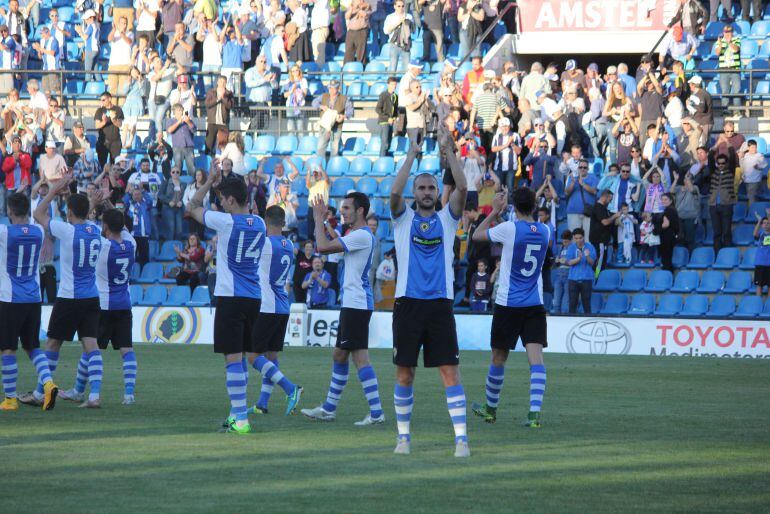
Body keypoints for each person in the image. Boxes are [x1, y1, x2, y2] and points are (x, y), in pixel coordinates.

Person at [388, 138, 470, 457]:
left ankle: (461, 440)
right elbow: (394, 194)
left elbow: (462, 189)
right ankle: (403, 438)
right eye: (421, 188)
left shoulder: (447, 219)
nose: (425, 192)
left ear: (437, 194)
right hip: (407, 304)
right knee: (404, 372)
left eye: (430, 188)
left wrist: (450, 155)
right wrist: (411, 156)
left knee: (449, 371)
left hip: (439, 305)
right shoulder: (403, 218)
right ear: (415, 193)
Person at [187, 170, 266, 435]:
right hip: (253, 297)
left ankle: (241, 419)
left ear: (231, 201)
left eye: (222, 200)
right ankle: (236, 414)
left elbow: (192, 206)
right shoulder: (261, 223)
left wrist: (208, 182)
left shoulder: (226, 222)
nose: (220, 204)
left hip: (231, 297)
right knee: (241, 356)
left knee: (232, 358)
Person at [470, 185, 550, 427]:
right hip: (534, 304)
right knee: (536, 360)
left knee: (498, 358)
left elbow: (477, 236)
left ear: (514, 206)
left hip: (508, 303)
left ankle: (490, 410)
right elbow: (523, 234)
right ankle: (534, 415)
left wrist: (495, 211)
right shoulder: (546, 230)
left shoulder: (508, 228)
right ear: (535, 206)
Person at [302, 192, 384, 426]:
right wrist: (326, 223)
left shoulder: (361, 235)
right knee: (340, 354)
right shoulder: (358, 235)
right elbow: (332, 245)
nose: (342, 211)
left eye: (347, 208)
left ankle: (376, 412)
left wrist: (318, 219)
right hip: (354, 302)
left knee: (360, 358)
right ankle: (329, 408)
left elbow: (323, 246)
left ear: (360, 211)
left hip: (357, 303)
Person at [22, 172, 103, 408]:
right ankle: (95, 395)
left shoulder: (66, 230)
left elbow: (37, 214)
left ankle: (40, 392)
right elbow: (85, 216)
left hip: (69, 296)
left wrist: (55, 190)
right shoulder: (95, 230)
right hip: (92, 296)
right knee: (91, 346)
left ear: (68, 212)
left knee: (52, 344)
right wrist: (91, 203)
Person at [60, 205, 137, 405]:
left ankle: (79, 390)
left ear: (106, 227)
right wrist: (112, 208)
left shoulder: (103, 247)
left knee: (90, 349)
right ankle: (129, 395)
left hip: (103, 304)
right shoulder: (132, 243)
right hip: (124, 304)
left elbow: (89, 233)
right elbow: (123, 229)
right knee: (127, 350)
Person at [0, 193, 58, 411]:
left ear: (10, 212)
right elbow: (39, 214)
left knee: (7, 349)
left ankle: (10, 398)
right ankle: (48, 383)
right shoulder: (38, 231)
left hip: (10, 298)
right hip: (33, 298)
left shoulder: (5, 233)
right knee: (32, 346)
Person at [245, 205, 302, 416]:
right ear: (283, 222)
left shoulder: (265, 244)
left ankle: (290, 388)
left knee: (252, 356)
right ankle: (262, 403)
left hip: (266, 306)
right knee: (271, 356)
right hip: (282, 305)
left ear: (266, 221)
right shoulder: (289, 245)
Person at [312, 80, 353, 157]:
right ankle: (320, 167)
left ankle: (333, 167)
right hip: (324, 126)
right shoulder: (324, 96)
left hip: (337, 127)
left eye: (334, 88)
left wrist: (344, 117)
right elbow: (314, 102)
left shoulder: (344, 99)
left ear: (338, 88)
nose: (332, 90)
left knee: (334, 149)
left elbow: (350, 111)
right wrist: (321, 106)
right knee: (320, 148)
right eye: (330, 88)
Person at [564, 159, 598, 239]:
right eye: (580, 167)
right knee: (573, 238)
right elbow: (567, 192)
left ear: (588, 169)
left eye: (585, 167)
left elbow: (594, 191)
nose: (582, 169)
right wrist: (572, 183)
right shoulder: (571, 177)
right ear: (578, 168)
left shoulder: (593, 177)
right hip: (573, 211)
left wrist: (582, 184)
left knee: (588, 238)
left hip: (588, 212)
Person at [589, 189, 620, 274]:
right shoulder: (598, 207)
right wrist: (615, 216)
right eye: (610, 199)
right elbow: (605, 222)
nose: (610, 201)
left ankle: (598, 278)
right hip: (599, 240)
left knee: (602, 260)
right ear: (605, 197)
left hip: (603, 240)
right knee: (600, 261)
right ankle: (596, 278)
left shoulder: (604, 208)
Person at [566, 228, 595, 314]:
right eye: (576, 238)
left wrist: (587, 256)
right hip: (573, 279)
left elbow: (592, 263)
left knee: (586, 304)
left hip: (586, 279)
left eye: (580, 238)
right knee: (572, 304)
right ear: (574, 238)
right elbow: (569, 262)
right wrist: (578, 258)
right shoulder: (571, 247)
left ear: (584, 237)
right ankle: (570, 324)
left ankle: (589, 325)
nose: (578, 240)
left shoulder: (590, 247)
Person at [124, 186, 153, 266]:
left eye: (138, 194)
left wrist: (143, 190)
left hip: (143, 235)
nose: (136, 196)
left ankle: (144, 273)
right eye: (135, 194)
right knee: (132, 256)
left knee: (144, 256)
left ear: (142, 195)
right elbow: (123, 202)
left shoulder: (146, 204)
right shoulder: (130, 205)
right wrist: (129, 193)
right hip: (132, 235)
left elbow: (150, 200)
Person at [205, 76, 233, 156]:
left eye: (224, 82)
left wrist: (223, 97)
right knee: (209, 143)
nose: (222, 83)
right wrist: (217, 99)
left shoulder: (229, 93)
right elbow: (207, 104)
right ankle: (207, 161)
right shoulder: (211, 92)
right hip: (212, 122)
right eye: (220, 81)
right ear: (217, 82)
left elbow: (230, 106)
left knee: (224, 144)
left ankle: (224, 161)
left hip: (223, 122)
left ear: (226, 83)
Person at [94, 92, 124, 167]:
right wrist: (104, 122)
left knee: (115, 165)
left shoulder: (118, 109)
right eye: (101, 100)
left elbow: (120, 124)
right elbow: (97, 126)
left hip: (115, 141)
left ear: (109, 99)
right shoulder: (99, 111)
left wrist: (113, 119)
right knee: (102, 165)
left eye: (103, 100)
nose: (102, 102)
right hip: (103, 141)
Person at [714, 24, 741, 108]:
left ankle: (737, 111)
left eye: (729, 32)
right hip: (724, 70)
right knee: (725, 91)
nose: (727, 34)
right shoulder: (719, 42)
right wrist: (721, 44)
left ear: (732, 32)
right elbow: (717, 53)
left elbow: (736, 49)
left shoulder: (736, 39)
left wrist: (729, 42)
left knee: (737, 91)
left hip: (734, 69)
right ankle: (725, 111)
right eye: (725, 32)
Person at [738, 140, 768, 206]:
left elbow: (765, 164)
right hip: (747, 180)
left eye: (755, 147)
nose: (754, 149)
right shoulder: (746, 155)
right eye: (752, 147)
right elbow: (743, 165)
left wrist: (758, 167)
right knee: (752, 197)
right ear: (748, 148)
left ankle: (752, 212)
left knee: (751, 198)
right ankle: (755, 211)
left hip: (755, 180)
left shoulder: (759, 155)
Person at [375, 76, 399, 157]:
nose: (394, 86)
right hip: (384, 122)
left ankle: (386, 160)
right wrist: (387, 118)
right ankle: (382, 159)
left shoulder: (395, 96)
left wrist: (395, 117)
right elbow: (378, 109)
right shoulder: (383, 95)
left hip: (391, 122)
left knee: (389, 142)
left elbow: (395, 109)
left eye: (395, 84)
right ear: (388, 85)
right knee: (384, 143)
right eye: (392, 84)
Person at [753, 216, 770, 298]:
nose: (766, 225)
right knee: (759, 285)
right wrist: (759, 221)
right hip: (760, 263)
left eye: (768, 223)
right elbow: (754, 234)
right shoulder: (760, 234)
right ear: (762, 225)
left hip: (769, 264)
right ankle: (757, 303)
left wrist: (768, 215)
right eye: (764, 223)